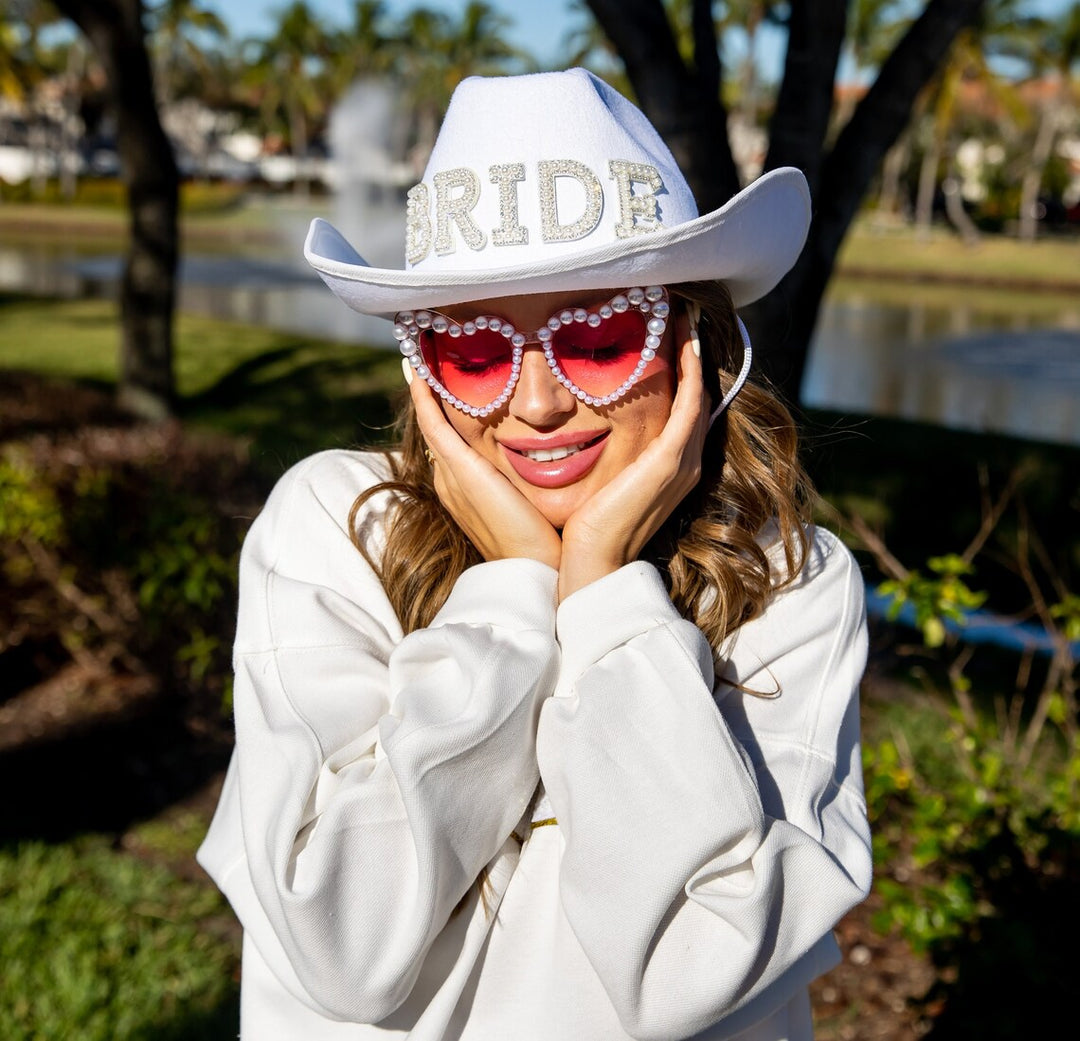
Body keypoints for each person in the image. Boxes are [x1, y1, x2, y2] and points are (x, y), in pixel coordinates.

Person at [198, 68, 871, 1041]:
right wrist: (512, 597)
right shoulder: (335, 525)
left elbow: (696, 966)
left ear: (694, 338)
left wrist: (604, 595)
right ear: (419, 371)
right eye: (471, 351)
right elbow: (343, 949)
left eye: (598, 335)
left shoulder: (789, 580)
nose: (540, 402)